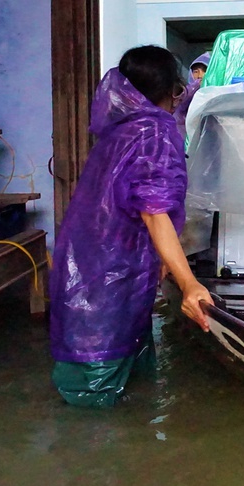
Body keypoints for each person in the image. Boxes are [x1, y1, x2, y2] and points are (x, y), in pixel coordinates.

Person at [48, 45, 213, 407]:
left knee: (104, 384)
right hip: (111, 280)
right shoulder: (154, 131)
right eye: (177, 90)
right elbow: (154, 213)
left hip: (90, 272)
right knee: (97, 391)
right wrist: (189, 284)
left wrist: (162, 263)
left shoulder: (119, 129)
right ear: (169, 91)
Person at [174, 52, 211, 141]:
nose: (200, 76)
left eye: (205, 70)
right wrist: (192, 89)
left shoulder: (215, 93)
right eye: (195, 71)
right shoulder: (185, 94)